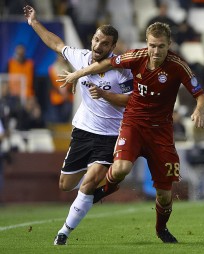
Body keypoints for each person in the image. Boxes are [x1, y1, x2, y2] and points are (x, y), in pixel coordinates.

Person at [57, 22, 204, 243]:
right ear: (146, 43)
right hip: (134, 123)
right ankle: (99, 193)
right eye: (152, 46)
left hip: (161, 132)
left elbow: (201, 96)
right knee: (121, 168)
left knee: (165, 196)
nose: (156, 52)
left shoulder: (178, 66)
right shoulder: (136, 56)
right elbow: (106, 64)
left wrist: (199, 111)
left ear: (169, 45)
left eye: (161, 46)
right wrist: (76, 74)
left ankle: (161, 229)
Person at [23, 5, 133, 245]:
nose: (98, 46)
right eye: (96, 40)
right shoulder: (81, 57)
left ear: (113, 47)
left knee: (90, 181)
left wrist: (104, 96)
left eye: (105, 44)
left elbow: (130, 100)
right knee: (65, 185)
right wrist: (34, 22)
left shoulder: (122, 71)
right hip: (83, 132)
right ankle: (91, 192)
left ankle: (63, 232)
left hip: (110, 136)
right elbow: (55, 43)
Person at [48, 55, 73, 123]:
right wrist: (59, 89)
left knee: (66, 117)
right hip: (56, 98)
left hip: (67, 98)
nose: (61, 58)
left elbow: (72, 83)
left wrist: (66, 89)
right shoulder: (52, 69)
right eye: (60, 56)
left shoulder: (69, 69)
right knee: (56, 119)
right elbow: (50, 83)